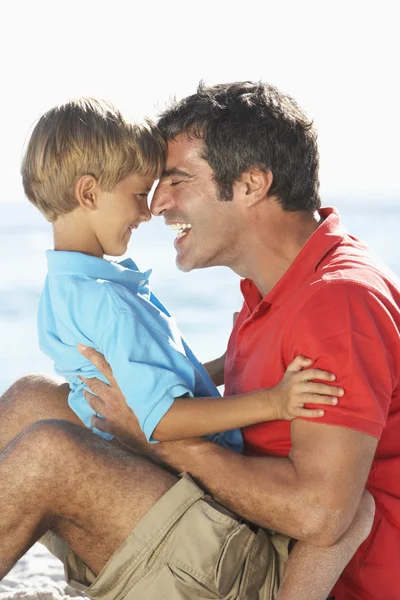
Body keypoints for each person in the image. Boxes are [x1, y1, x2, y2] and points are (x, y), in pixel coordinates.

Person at [0, 80, 395, 598]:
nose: (157, 204)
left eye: (177, 180)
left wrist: (153, 435)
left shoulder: (338, 303)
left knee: (47, 454)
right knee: (33, 397)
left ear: (251, 184)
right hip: (233, 520)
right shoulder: (281, 286)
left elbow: (320, 516)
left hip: (283, 570)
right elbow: (231, 377)